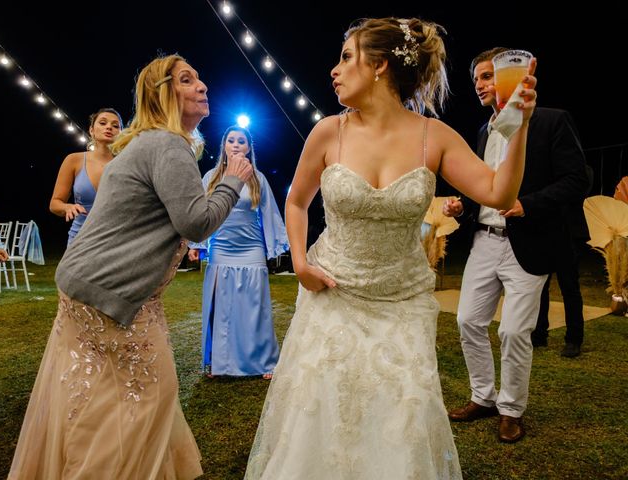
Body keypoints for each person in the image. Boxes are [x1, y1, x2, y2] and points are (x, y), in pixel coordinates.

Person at [245, 18, 537, 479]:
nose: (334, 70)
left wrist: (518, 124)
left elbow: (499, 194)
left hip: (402, 304)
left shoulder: (433, 137)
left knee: (401, 417)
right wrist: (299, 262)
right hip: (332, 297)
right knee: (322, 416)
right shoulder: (328, 132)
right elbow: (297, 202)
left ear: (379, 65)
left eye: (346, 57)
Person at [8, 53, 253, 479]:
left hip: (89, 283)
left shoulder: (149, 144)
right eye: (187, 80)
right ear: (163, 95)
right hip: (108, 291)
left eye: (201, 78)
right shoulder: (167, 144)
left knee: (99, 392)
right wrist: (232, 179)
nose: (203, 86)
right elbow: (196, 223)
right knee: (147, 397)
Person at [443, 47, 589, 443]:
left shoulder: (552, 121)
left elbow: (578, 179)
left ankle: (511, 409)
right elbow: (485, 186)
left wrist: (529, 205)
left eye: (487, 77)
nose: (480, 85)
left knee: (512, 332)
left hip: (531, 243)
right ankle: (482, 397)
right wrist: (464, 207)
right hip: (484, 241)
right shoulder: (482, 132)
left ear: (510, 77)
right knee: (468, 321)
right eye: (476, 80)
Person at [188, 125, 288, 379]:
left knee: (255, 308)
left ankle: (264, 362)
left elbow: (270, 214)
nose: (235, 144)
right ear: (223, 146)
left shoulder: (258, 179)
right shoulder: (211, 177)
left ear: (248, 148)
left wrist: (275, 246)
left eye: (241, 141)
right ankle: (220, 364)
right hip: (221, 249)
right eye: (230, 140)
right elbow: (199, 212)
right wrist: (196, 244)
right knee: (223, 308)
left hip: (252, 249)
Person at [532, 163, 592, 358]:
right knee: (540, 287)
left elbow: (575, 190)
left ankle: (574, 339)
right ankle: (539, 333)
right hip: (545, 233)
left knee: (570, 288)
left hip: (569, 234)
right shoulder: (544, 167)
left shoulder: (580, 169)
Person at [49, 107, 123, 244]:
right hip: (80, 240)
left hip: (117, 241)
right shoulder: (73, 160)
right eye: (102, 123)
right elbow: (54, 204)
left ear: (121, 133)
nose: (109, 128)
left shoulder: (127, 164)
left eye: (115, 126)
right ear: (91, 130)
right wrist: (67, 207)